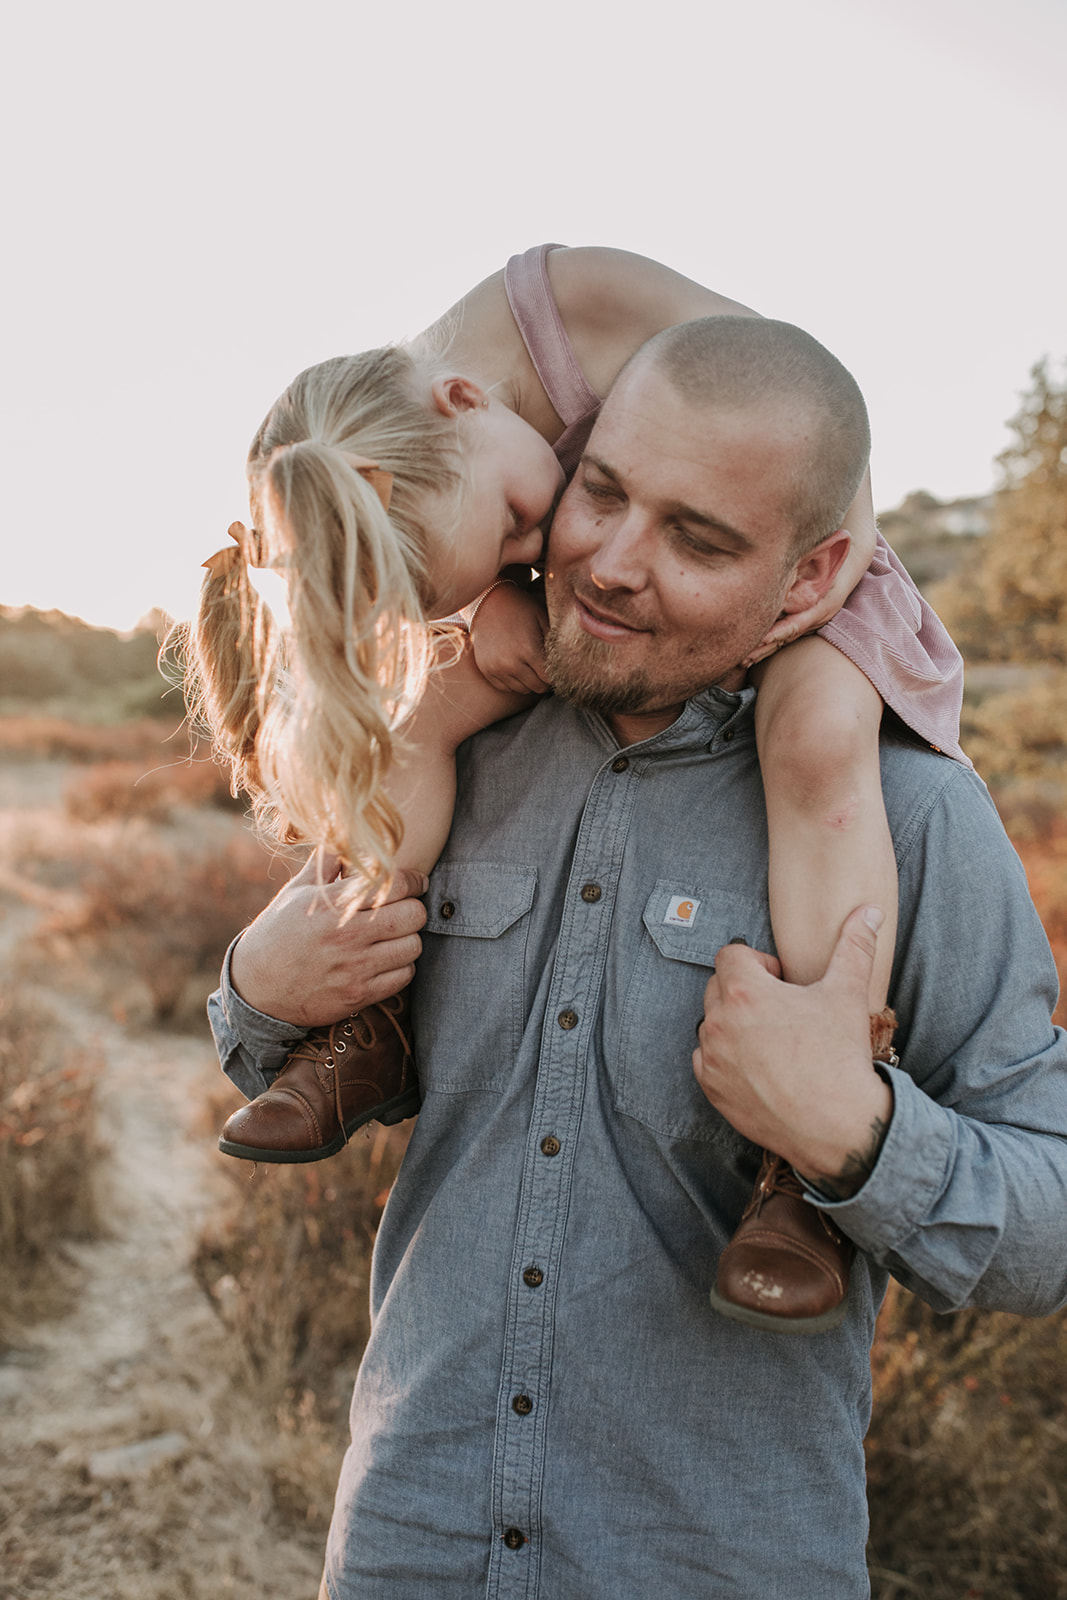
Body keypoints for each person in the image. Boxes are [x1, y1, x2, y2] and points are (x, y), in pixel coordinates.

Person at [209, 316, 1067, 1599]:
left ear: (809, 575)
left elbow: (1046, 1215)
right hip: (410, 1541)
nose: (609, 563)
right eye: (599, 493)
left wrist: (859, 1138)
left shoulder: (905, 816)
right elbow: (276, 1042)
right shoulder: (448, 739)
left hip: (714, 1561)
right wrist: (257, 988)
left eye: (696, 538)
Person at [192, 246, 965, 1328]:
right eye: (514, 539)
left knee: (813, 740)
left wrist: (819, 577)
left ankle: (817, 1108)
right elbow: (497, 548)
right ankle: (362, 1015)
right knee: (425, 714)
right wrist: (503, 591)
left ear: (464, 399)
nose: (528, 533)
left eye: (516, 518)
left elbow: (805, 402)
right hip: (614, 594)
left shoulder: (570, 301)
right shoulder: (402, 462)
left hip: (794, 562)